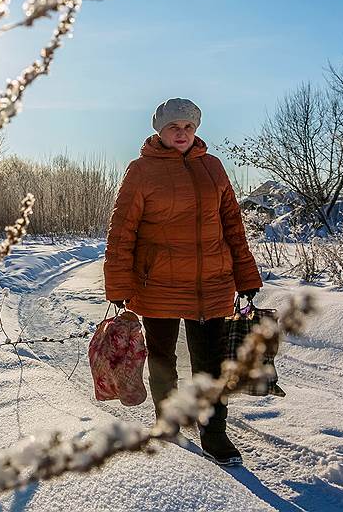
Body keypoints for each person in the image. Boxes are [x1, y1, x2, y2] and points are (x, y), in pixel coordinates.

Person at [103, 97, 262, 467]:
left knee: (210, 363)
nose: (182, 133)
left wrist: (246, 275)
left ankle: (215, 433)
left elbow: (233, 227)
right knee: (162, 359)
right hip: (157, 285)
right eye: (174, 127)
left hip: (211, 284)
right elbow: (122, 231)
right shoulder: (141, 171)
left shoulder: (214, 168)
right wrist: (119, 284)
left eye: (189, 127)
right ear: (160, 130)